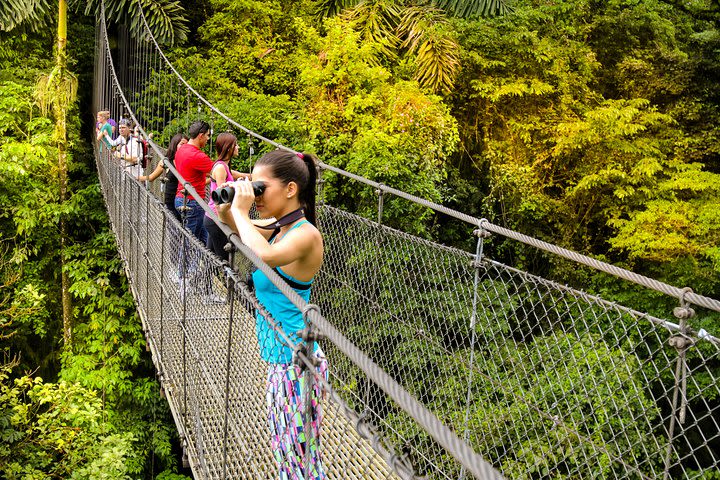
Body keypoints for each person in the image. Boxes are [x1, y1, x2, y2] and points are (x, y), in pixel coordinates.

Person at [219, 149, 328, 479]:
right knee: (291, 455)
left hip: (296, 361)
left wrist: (239, 209)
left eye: (261, 187)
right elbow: (237, 228)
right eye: (253, 185)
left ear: (291, 189)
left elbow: (262, 254)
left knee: (296, 461)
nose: (256, 194)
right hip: (280, 359)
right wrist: (229, 204)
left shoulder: (305, 235)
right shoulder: (278, 227)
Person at [203, 132, 250, 261]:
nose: (238, 147)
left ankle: (203, 280)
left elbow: (240, 174)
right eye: (236, 145)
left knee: (211, 259)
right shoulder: (220, 168)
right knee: (224, 260)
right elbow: (222, 197)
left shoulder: (224, 166)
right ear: (228, 148)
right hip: (216, 219)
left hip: (213, 218)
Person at [174, 120, 213, 243]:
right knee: (189, 244)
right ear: (201, 135)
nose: (208, 139)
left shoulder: (181, 149)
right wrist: (249, 176)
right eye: (207, 135)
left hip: (181, 198)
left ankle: (206, 263)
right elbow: (220, 171)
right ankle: (185, 263)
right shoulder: (197, 156)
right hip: (193, 203)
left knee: (204, 241)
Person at [138, 133, 188, 221]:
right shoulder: (166, 162)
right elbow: (151, 177)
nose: (185, 147)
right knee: (174, 231)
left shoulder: (189, 162)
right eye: (182, 144)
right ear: (175, 145)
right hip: (170, 202)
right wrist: (136, 177)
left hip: (185, 202)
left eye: (187, 145)